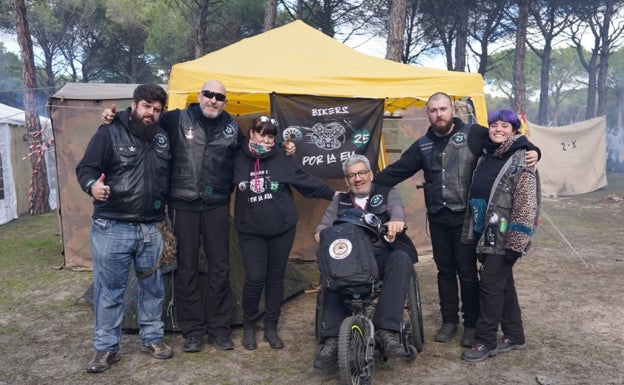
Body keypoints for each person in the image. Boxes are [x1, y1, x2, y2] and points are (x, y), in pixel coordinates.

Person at [101, 80, 295, 353]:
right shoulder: (176, 119)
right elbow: (144, 121)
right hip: (183, 203)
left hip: (216, 204)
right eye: (209, 94)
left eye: (219, 97)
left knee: (220, 267)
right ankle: (193, 331)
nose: (213, 100)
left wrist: (284, 150)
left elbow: (254, 153)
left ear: (225, 102)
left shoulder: (232, 128)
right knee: (187, 268)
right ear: (199, 96)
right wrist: (117, 115)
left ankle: (219, 329)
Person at [373, 92, 540, 348]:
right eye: (433, 110)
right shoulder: (423, 144)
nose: (439, 114)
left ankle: (471, 324)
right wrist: (365, 186)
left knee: (467, 271)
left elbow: (506, 138)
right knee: (445, 270)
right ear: (428, 114)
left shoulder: (475, 133)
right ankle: (449, 321)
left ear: (452, 110)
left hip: (466, 219)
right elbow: (395, 172)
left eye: (443, 109)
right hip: (438, 219)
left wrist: (533, 150)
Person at [77, 84, 173, 373]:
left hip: (153, 227)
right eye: (147, 107)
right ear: (133, 104)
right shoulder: (108, 132)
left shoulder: (163, 138)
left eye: (157, 110)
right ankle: (106, 348)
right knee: (110, 291)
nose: (151, 114)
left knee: (154, 288)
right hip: (112, 226)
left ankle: (153, 338)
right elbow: (86, 169)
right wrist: (93, 187)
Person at [233, 115, 336, 350]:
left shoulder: (282, 156)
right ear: (251, 134)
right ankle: (249, 326)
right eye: (261, 133)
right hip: (251, 230)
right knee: (255, 277)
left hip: (282, 228)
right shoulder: (236, 156)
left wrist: (336, 196)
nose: (266, 139)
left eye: (271, 135)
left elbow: (305, 181)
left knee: (275, 277)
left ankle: (271, 326)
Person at [312, 154, 418, 369]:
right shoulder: (339, 200)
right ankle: (333, 337)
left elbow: (397, 210)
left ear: (370, 174)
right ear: (346, 180)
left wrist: (396, 221)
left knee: (401, 258)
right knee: (330, 260)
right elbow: (323, 225)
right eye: (352, 175)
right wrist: (322, 233)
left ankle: (386, 330)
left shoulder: (387, 193)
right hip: (350, 259)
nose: (357, 179)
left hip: (380, 255)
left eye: (361, 173)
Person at [460, 109, 540, 362]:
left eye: (505, 125)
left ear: (515, 130)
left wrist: (517, 241)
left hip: (506, 233)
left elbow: (526, 202)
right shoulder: (488, 154)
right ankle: (515, 335)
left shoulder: (522, 157)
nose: (498, 129)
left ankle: (485, 341)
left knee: (490, 285)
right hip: (487, 230)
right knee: (503, 283)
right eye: (494, 125)